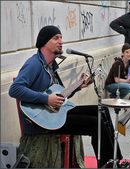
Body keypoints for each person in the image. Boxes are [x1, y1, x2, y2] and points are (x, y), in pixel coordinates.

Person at [8, 25, 122, 167]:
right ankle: (108, 164)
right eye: (56, 38)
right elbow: (15, 89)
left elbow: (60, 96)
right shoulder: (34, 64)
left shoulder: (51, 66)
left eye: (61, 37)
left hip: (54, 115)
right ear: (44, 42)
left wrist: (79, 86)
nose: (61, 41)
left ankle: (115, 160)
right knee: (96, 122)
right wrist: (47, 99)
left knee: (102, 110)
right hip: (41, 122)